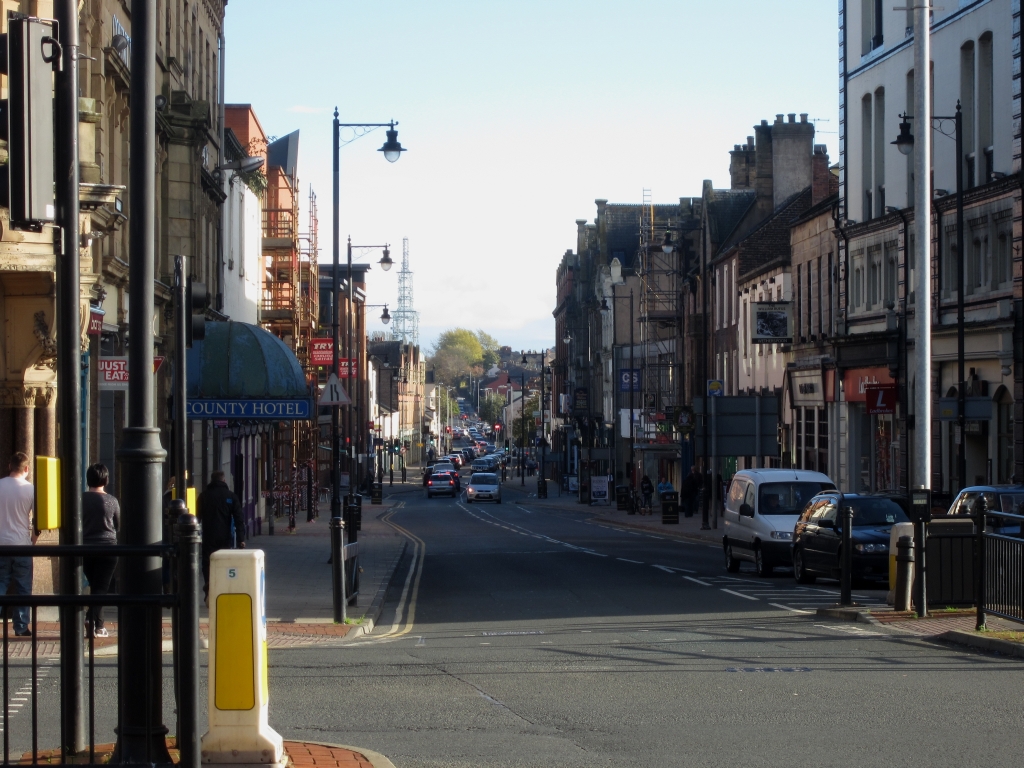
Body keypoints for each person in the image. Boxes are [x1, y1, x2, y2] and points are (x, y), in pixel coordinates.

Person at [0, 453, 36, 637]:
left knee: (0, 583)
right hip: (22, 544)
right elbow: (38, 521)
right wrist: (33, 542)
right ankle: (21, 627)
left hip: (1, 544)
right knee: (23, 588)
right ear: (27, 469)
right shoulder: (31, 490)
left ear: (9, 465)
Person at [82, 463, 119, 638]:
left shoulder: (80, 499)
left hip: (85, 548)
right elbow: (119, 525)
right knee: (101, 588)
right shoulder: (111, 500)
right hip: (108, 547)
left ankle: (99, 625)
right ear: (106, 479)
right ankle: (91, 619)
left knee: (95, 586)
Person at [197, 471, 245, 600]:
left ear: (212, 481)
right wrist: (241, 539)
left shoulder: (203, 496)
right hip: (225, 537)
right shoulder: (231, 496)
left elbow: (197, 518)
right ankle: (222, 590)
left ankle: (208, 589)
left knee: (207, 563)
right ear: (224, 481)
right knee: (223, 562)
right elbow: (239, 519)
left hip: (208, 536)